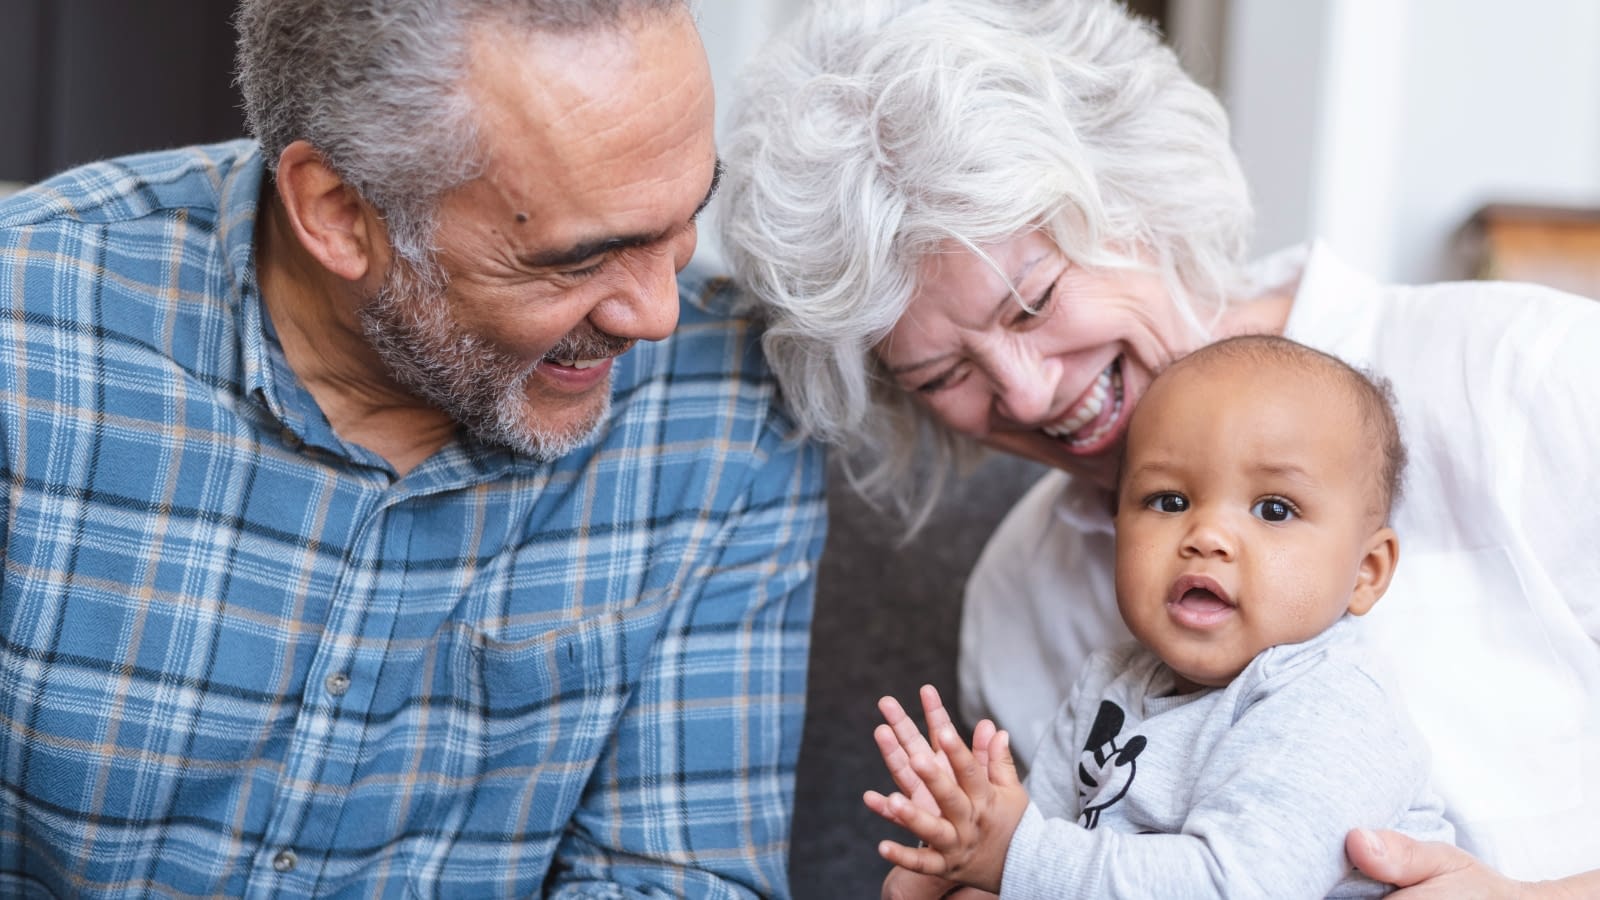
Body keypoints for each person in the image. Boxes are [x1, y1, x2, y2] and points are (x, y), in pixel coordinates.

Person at [716, 0, 1600, 894]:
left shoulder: (1533, 378)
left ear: (1135, 199)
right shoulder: (1018, 601)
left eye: (1031, 301)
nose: (1023, 392)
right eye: (943, 373)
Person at [0, 1, 825, 896]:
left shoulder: (727, 411)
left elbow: (675, 879)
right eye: (580, 259)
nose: (658, 315)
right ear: (339, 212)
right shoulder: (28, 340)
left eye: (685, 216)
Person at [863, 334, 1453, 899]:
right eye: (1168, 501)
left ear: (1367, 572)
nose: (1208, 536)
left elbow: (1233, 889)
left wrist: (1012, 857)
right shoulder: (1111, 682)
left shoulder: (1333, 704)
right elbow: (1048, 853)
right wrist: (962, 862)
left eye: (1274, 509)